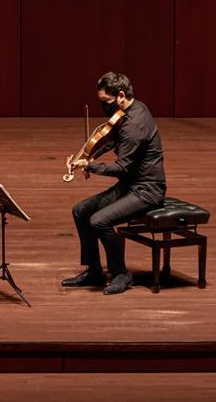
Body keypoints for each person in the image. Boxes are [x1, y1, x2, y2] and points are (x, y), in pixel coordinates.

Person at [63, 72, 166, 295]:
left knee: (99, 221)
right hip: (130, 185)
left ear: (120, 95)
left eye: (105, 103)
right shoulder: (132, 109)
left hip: (146, 190)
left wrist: (90, 166)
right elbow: (110, 139)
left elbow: (122, 168)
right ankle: (94, 271)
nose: (104, 108)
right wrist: (87, 156)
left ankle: (121, 273)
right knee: (81, 210)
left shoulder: (135, 125)